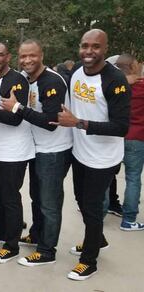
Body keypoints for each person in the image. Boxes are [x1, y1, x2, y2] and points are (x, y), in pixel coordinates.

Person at [56, 29, 130, 280]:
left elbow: (121, 127)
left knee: (91, 205)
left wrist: (79, 123)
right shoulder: (77, 70)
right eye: (85, 45)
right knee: (81, 200)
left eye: (95, 46)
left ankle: (89, 260)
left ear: (105, 49)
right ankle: (97, 239)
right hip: (80, 153)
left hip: (104, 158)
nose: (89, 51)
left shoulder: (115, 80)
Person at [0, 40, 73, 266]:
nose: (27, 60)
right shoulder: (26, 79)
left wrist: (17, 108)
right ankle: (37, 234)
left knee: (49, 202)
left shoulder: (52, 81)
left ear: (42, 55)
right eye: (23, 56)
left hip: (54, 151)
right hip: (36, 149)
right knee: (36, 196)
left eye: (32, 55)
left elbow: (51, 122)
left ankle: (46, 250)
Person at [0, 42, 34, 264]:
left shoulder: (16, 81)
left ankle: (11, 245)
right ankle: (2, 231)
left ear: (8, 57)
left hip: (15, 150)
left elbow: (15, 118)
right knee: (2, 195)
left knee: (11, 197)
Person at [115, 54, 144, 231]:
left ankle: (99, 213)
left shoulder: (114, 86)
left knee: (107, 176)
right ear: (132, 67)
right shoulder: (142, 87)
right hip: (137, 137)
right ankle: (129, 220)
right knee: (133, 178)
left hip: (116, 136)